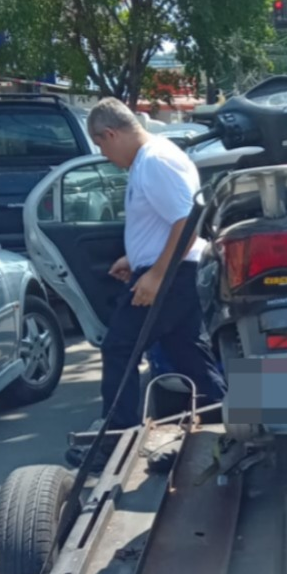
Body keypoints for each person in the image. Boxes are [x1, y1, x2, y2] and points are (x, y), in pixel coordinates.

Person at [68, 98, 225, 469]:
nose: (105, 155)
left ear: (110, 133)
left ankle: (115, 440)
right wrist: (136, 257)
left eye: (102, 145)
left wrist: (155, 274)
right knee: (190, 356)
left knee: (120, 348)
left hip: (172, 275)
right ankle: (229, 428)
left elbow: (185, 221)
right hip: (175, 271)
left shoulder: (154, 160)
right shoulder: (154, 157)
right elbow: (165, 221)